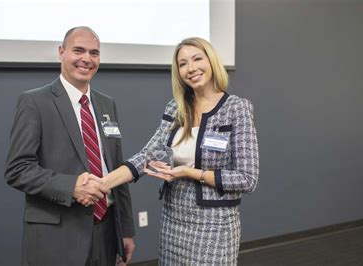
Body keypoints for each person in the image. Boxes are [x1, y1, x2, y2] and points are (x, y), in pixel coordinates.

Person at [89, 37, 259, 265]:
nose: (191, 68)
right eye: (183, 64)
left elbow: (247, 179)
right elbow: (146, 156)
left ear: (212, 61)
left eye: (197, 59)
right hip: (173, 219)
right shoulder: (175, 107)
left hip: (214, 225)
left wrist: (190, 173)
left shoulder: (236, 108)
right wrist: (101, 184)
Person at [4, 26, 135, 266]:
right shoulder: (34, 102)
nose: (86, 59)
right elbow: (17, 169)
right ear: (61, 52)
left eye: (94, 53)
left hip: (106, 232)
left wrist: (125, 229)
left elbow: (116, 168)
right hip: (58, 236)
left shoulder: (107, 104)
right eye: (78, 50)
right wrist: (70, 186)